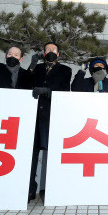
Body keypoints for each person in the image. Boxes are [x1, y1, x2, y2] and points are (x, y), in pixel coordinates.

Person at [27, 42, 71, 202]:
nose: (50, 52)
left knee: (53, 154)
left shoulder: (66, 70)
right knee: (32, 153)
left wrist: (49, 92)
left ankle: (52, 190)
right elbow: (26, 83)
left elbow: (66, 91)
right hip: (35, 115)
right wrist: (31, 66)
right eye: (47, 50)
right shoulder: (37, 68)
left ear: (58, 54)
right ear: (43, 53)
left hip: (53, 116)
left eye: (53, 50)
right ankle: (30, 189)